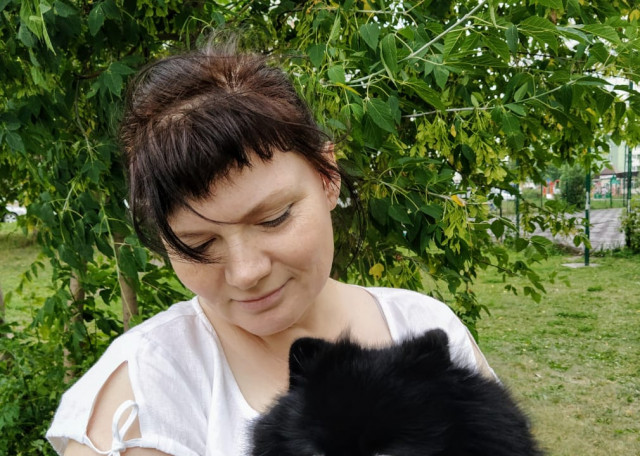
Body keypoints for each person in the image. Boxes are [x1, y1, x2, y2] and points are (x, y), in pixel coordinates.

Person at [46, 39, 495, 456]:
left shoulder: (425, 326)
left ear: (328, 177)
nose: (246, 272)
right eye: (199, 244)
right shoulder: (141, 399)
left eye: (274, 218)